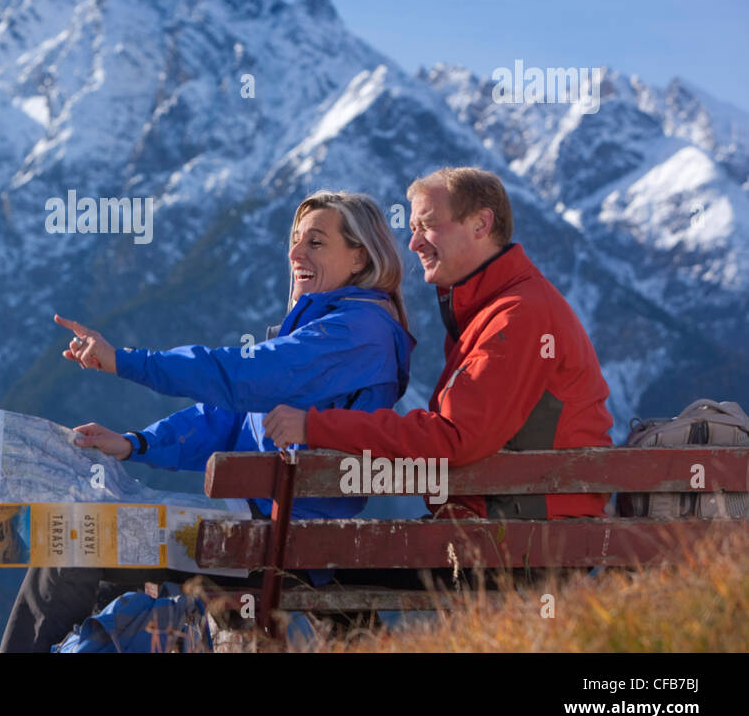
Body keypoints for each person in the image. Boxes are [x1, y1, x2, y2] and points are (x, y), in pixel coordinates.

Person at [0, 190, 415, 652]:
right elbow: (229, 418)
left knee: (75, 538)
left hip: (275, 540)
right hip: (262, 527)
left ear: (359, 258)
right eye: (295, 240)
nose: (295, 253)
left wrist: (126, 361)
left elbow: (237, 376)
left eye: (316, 243)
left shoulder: (356, 333)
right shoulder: (332, 326)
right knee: (86, 547)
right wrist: (137, 443)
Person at [262, 167, 613, 523]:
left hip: (525, 539)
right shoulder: (485, 310)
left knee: (313, 564)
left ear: (480, 225)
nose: (413, 244)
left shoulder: (518, 317)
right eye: (412, 229)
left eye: (427, 226)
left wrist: (316, 426)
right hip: (506, 524)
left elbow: (452, 437)